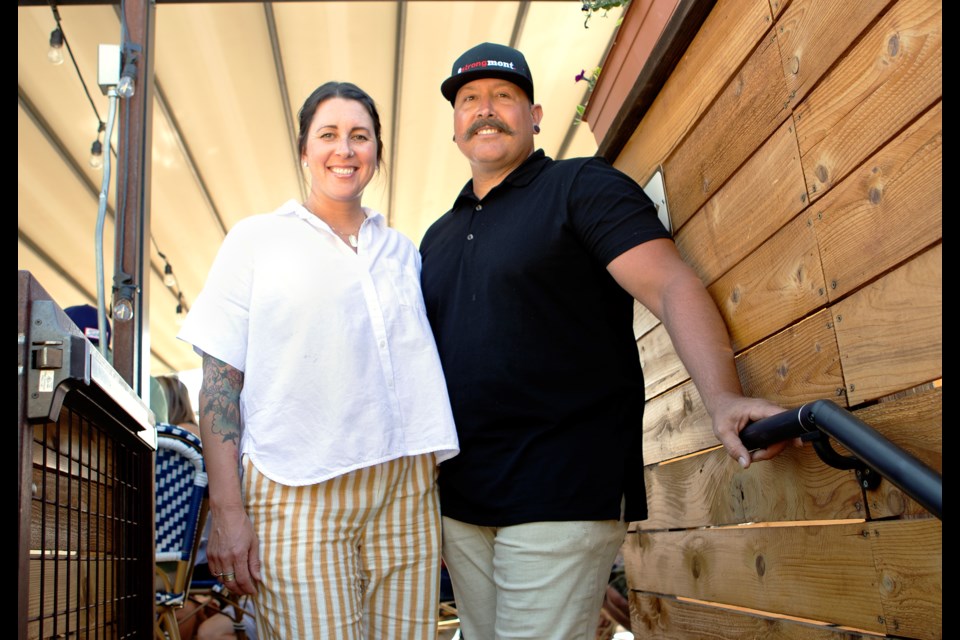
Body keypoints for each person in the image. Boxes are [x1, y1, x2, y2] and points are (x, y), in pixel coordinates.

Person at [419, 42, 796, 640]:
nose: (485, 109)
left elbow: (672, 285)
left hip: (561, 485)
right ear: (456, 125)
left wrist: (723, 398)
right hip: (462, 501)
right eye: (469, 100)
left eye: (503, 97)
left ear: (535, 114)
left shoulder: (580, 186)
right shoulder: (437, 236)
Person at [177, 81, 459, 640]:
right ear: (304, 149)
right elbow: (218, 384)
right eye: (327, 135)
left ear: (377, 149)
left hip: (405, 493)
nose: (345, 150)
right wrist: (229, 513)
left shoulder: (403, 251)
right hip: (297, 492)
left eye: (360, 136)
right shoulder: (256, 240)